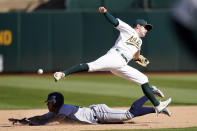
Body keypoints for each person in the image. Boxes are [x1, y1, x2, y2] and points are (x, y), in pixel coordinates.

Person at [53, 6, 171, 113]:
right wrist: (105, 12)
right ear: (138, 26)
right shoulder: (128, 30)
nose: (147, 30)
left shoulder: (140, 42)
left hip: (122, 65)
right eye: (145, 27)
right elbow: (115, 22)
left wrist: (138, 58)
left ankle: (158, 105)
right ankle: (62, 73)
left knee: (143, 78)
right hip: (114, 57)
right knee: (91, 66)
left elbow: (136, 56)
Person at [9, 87, 171, 125]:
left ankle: (149, 91)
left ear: (56, 103)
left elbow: (57, 121)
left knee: (129, 114)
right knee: (127, 118)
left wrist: (39, 126)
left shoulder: (63, 110)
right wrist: (24, 121)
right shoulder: (56, 111)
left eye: (50, 103)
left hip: (99, 113)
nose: (48, 106)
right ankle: (157, 108)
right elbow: (41, 117)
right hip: (98, 117)